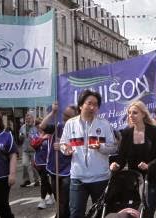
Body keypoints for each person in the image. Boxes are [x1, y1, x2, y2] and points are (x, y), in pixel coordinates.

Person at [60, 90, 117, 218]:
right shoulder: (70, 124)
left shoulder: (104, 124)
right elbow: (64, 144)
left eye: (96, 104)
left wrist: (101, 147)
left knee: (101, 214)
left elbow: (113, 147)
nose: (93, 107)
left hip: (100, 178)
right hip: (78, 178)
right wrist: (66, 149)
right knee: (75, 214)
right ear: (81, 105)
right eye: (89, 103)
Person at [110, 101, 156, 218]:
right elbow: (122, 157)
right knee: (135, 211)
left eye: (135, 113)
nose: (131, 115)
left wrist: (148, 165)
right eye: (129, 113)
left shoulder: (154, 131)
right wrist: (116, 165)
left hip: (153, 178)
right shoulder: (126, 133)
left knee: (148, 211)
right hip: (134, 180)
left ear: (143, 114)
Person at [40, 102, 78, 218]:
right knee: (58, 198)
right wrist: (53, 112)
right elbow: (42, 126)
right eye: (64, 115)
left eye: (68, 116)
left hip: (68, 170)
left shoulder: (78, 130)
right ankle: (61, 214)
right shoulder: (59, 126)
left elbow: (79, 149)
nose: (64, 118)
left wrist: (62, 146)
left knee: (65, 199)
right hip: (54, 168)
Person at [30, 119, 55, 210]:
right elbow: (33, 144)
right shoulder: (36, 135)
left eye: (40, 125)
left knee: (44, 181)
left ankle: (42, 200)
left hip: (47, 162)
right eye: (37, 125)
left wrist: (45, 138)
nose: (39, 127)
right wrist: (41, 138)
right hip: (38, 162)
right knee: (45, 181)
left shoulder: (51, 135)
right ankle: (52, 196)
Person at [19, 111, 40, 187]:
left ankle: (37, 180)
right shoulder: (22, 127)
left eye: (29, 118)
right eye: (26, 118)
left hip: (34, 150)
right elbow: (20, 138)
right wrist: (21, 136)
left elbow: (40, 136)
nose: (27, 120)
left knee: (34, 166)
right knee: (24, 164)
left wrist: (35, 138)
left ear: (33, 118)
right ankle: (26, 180)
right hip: (25, 150)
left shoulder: (36, 127)